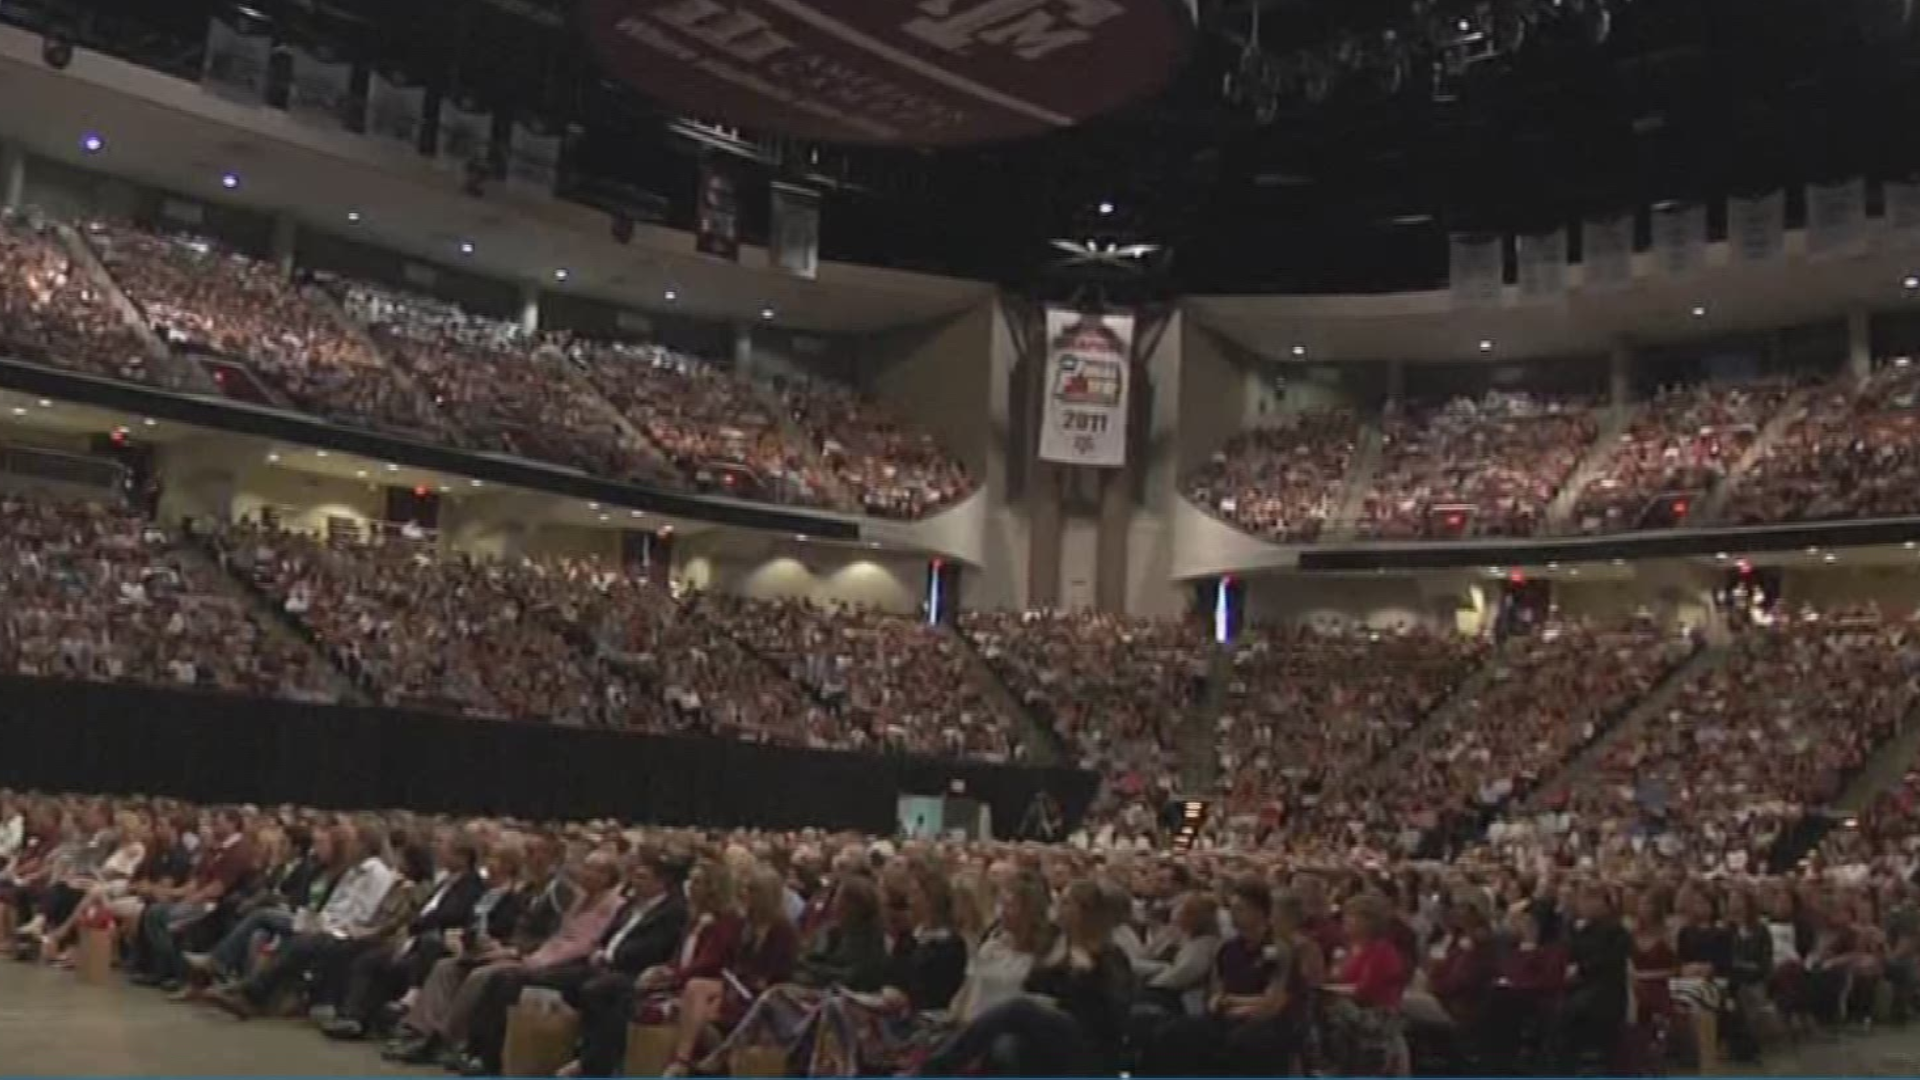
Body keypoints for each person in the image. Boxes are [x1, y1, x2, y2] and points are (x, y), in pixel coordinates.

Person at [917, 878, 1134, 1077]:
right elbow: (1033, 984)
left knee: (1019, 1007)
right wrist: (1054, 967)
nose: (1058, 907)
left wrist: (1086, 974)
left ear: (1086, 912)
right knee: (1009, 1044)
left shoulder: (1109, 954)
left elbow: (1111, 1014)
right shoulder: (1061, 948)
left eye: (1067, 903)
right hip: (1050, 1035)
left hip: (1089, 1041)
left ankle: (934, 1069)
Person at [1139, 880, 1303, 1076]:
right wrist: (1218, 1001)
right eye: (1231, 908)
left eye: (1240, 909)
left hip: (1266, 1022)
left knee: (1244, 1043)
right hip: (1225, 1016)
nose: (1233, 914)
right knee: (1173, 1034)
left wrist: (1233, 1003)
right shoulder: (1227, 948)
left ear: (1259, 912)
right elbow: (1216, 990)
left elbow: (1273, 1002)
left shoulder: (1279, 949)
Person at [127, 807, 255, 990]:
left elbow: (217, 888)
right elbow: (196, 881)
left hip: (216, 906)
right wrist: (174, 894)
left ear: (233, 824)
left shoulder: (239, 850)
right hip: (199, 899)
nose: (213, 827)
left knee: (167, 916)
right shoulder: (214, 848)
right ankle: (163, 969)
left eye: (217, 823)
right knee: (154, 912)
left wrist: (189, 900)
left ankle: (178, 974)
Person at [1324, 891, 1410, 1076]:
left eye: (1352, 916)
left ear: (1369, 921)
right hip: (1351, 1010)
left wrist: (1330, 990)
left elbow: (1365, 991)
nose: (1345, 920)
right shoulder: (1348, 948)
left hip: (1377, 1015)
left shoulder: (1381, 951)